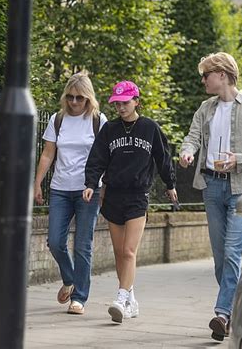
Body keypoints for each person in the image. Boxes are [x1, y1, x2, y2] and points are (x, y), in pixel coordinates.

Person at [179, 52, 242, 341]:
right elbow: (193, 135)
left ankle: (222, 314)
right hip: (212, 187)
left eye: (206, 75)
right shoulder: (205, 108)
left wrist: (240, 159)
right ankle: (236, 311)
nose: (203, 80)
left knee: (233, 253)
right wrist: (188, 151)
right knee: (221, 258)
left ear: (222, 75)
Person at [83, 80, 178, 323]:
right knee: (118, 252)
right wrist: (91, 184)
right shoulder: (109, 130)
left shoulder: (150, 128)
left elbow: (163, 157)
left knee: (128, 250)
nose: (121, 108)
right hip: (113, 194)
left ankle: (120, 297)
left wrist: (171, 184)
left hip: (138, 195)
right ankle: (130, 300)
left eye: (125, 103)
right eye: (117, 104)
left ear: (136, 101)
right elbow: (97, 158)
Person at [34, 71, 107, 315]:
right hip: (60, 189)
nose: (74, 102)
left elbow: (106, 157)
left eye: (80, 98)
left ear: (89, 99)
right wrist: (37, 184)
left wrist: (103, 186)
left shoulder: (99, 120)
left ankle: (79, 298)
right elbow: (47, 154)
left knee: (83, 245)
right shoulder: (57, 119)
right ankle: (69, 278)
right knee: (55, 241)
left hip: (88, 190)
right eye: (71, 97)